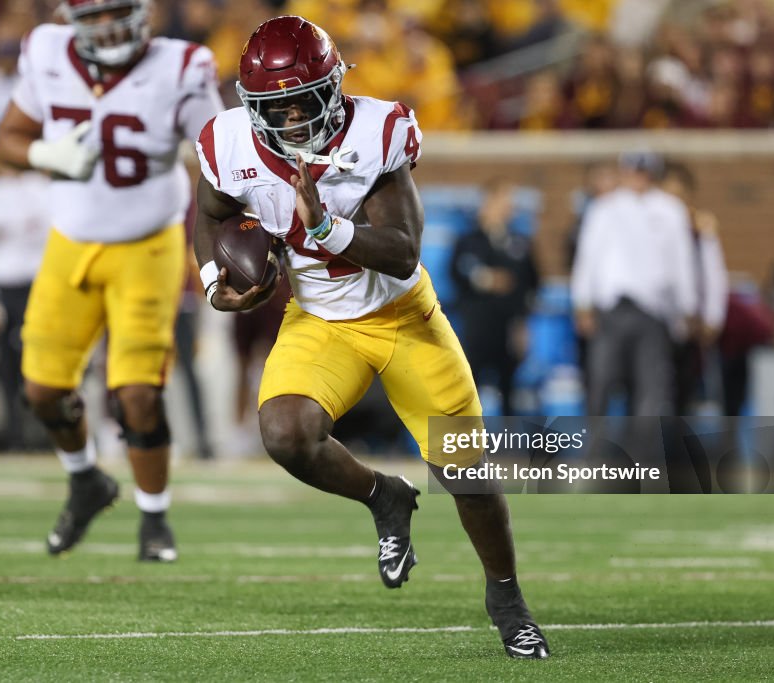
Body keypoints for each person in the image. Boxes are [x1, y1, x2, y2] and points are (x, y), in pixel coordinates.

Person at [193, 16, 549, 659]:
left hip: (406, 319)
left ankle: (507, 597)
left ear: (335, 86)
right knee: (284, 434)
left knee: (466, 472)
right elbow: (212, 212)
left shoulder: (377, 130)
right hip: (320, 322)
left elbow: (404, 253)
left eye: (306, 97)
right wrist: (218, 277)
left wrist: (325, 226)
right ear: (253, 108)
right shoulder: (228, 144)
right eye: (278, 106)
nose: (296, 115)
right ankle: (384, 495)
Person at [0, 0, 222, 561]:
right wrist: (44, 152)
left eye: (118, 10)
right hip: (70, 241)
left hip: (148, 242)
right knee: (42, 389)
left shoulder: (181, 65)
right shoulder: (45, 51)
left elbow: (221, 157)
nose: (108, 25)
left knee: (138, 392)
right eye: (95, 14)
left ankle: (154, 516)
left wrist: (222, 237)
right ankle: (85, 480)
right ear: (72, 20)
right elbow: (8, 140)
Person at [571, 151, 698, 415]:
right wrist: (583, 303)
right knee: (601, 383)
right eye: (632, 170)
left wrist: (687, 306)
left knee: (651, 388)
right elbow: (588, 257)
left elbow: (681, 261)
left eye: (643, 170)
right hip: (612, 307)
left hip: (653, 309)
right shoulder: (605, 208)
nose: (638, 176)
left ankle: (641, 454)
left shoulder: (670, 209)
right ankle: (596, 451)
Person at [450, 179, 539, 415]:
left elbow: (531, 283)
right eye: (502, 200)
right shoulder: (468, 240)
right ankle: (463, 446)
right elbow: (458, 273)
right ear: (487, 203)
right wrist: (487, 279)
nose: (508, 206)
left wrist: (522, 323)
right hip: (477, 326)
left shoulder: (520, 242)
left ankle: (508, 448)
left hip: (508, 326)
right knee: (470, 385)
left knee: (509, 387)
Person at [0, 168, 51, 451]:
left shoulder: (45, 191)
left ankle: (45, 433)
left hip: (38, 286)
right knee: (6, 365)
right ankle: (15, 434)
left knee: (41, 364)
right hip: (3, 289)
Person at [661, 161, 728, 414]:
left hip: (688, 323)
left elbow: (713, 273)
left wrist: (712, 316)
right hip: (657, 322)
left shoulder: (699, 230)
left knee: (684, 391)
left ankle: (678, 449)